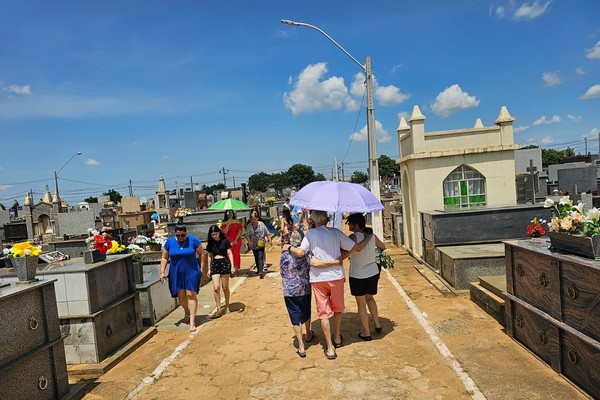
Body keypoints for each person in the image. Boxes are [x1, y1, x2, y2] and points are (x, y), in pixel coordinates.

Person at [285, 210, 370, 360]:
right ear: (327, 219)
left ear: (314, 220)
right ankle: (337, 337)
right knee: (337, 308)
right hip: (336, 276)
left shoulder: (310, 234)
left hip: (318, 279)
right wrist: (342, 256)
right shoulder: (336, 232)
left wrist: (288, 247)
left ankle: (330, 347)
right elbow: (352, 247)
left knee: (323, 313)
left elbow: (300, 252)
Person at [346, 213, 386, 340]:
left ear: (356, 225)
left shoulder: (353, 237)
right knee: (370, 298)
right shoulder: (371, 235)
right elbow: (383, 247)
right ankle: (377, 324)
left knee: (361, 304)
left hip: (358, 275)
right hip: (372, 272)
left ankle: (366, 333)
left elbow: (354, 249)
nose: (349, 226)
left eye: (350, 224)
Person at [160, 224, 204, 332]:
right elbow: (165, 257)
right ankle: (187, 312)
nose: (180, 238)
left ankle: (192, 322)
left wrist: (201, 267)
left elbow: (202, 253)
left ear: (186, 233)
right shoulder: (170, 242)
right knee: (181, 297)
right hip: (176, 272)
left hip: (191, 270)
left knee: (190, 294)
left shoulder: (193, 240)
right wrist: (162, 272)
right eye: (178, 235)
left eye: (182, 235)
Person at [280, 230, 314, 357]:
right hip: (304, 288)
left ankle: (301, 346)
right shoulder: (307, 254)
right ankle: (309, 333)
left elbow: (282, 272)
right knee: (306, 310)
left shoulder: (285, 255)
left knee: (294, 315)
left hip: (289, 290)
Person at [206, 225, 236, 317]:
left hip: (224, 263)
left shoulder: (225, 241)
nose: (214, 236)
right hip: (215, 264)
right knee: (216, 287)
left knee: (225, 287)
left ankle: (227, 305)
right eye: (212, 234)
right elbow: (209, 256)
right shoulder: (211, 243)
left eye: (215, 234)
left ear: (219, 233)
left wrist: (232, 266)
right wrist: (209, 269)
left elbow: (230, 253)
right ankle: (218, 308)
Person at [245, 210, 271, 278]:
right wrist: (249, 241)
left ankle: (260, 271)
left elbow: (266, 232)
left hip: (260, 243)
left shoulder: (261, 224)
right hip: (253, 243)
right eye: (252, 219)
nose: (253, 220)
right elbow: (247, 235)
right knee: (256, 256)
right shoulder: (249, 226)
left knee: (260, 256)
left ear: (257, 218)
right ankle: (259, 269)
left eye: (254, 219)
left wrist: (269, 240)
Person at [221, 210, 244, 275]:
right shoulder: (224, 222)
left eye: (231, 213)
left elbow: (239, 231)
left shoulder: (236, 221)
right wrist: (227, 225)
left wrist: (235, 240)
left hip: (236, 239)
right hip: (227, 240)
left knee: (235, 254)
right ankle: (230, 267)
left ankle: (236, 268)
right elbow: (224, 232)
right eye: (228, 213)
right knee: (228, 254)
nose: (229, 215)